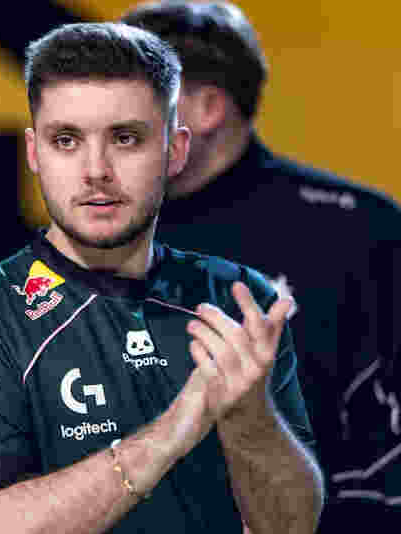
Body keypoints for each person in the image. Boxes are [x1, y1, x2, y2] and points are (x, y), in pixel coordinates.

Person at [0, 22, 324, 533]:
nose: (96, 169)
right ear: (34, 153)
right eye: (66, 140)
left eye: (125, 138)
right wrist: (173, 431)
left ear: (176, 150)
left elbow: (291, 527)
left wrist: (251, 417)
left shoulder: (239, 300)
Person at [120, 2, 401, 527]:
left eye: (126, 97)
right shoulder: (92, 234)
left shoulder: (358, 231)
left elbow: (383, 458)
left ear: (206, 108)